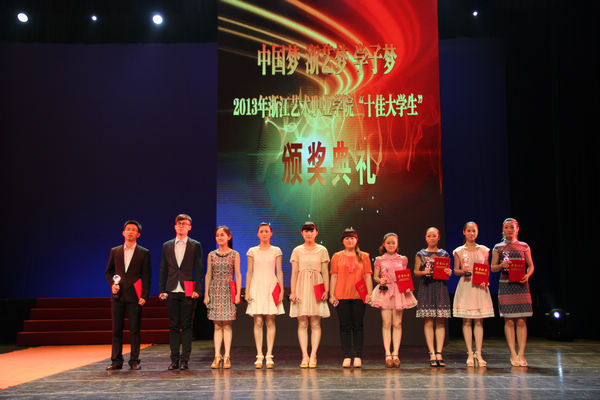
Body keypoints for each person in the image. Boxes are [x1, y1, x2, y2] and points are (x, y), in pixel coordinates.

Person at [105, 220, 151, 370]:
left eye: (133, 230)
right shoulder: (115, 251)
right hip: (118, 296)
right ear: (123, 232)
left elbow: (147, 275)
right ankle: (116, 361)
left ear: (138, 234)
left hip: (135, 296)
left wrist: (144, 295)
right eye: (128, 229)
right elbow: (109, 271)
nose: (130, 232)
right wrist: (113, 285)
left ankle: (134, 361)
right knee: (116, 330)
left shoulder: (144, 253)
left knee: (134, 330)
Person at [159, 214, 203, 370]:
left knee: (186, 326)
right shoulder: (167, 245)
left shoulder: (195, 245)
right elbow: (163, 268)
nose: (181, 226)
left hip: (188, 290)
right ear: (175, 226)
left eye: (184, 224)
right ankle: (174, 360)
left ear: (189, 227)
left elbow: (199, 269)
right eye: (179, 223)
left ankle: (185, 360)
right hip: (171, 289)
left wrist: (198, 289)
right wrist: (162, 289)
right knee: (173, 326)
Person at [490, 218, 535, 367]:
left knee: (521, 320)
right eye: (506, 227)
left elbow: (531, 266)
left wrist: (527, 275)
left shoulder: (524, 246)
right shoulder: (498, 247)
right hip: (506, 285)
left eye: (512, 227)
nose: (509, 230)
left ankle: (521, 354)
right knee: (509, 320)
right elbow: (492, 268)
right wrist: (501, 265)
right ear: (503, 229)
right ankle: (513, 354)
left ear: (517, 229)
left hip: (521, 285)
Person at [371, 232, 417, 368]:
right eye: (388, 243)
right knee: (386, 323)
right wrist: (380, 280)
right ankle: (387, 354)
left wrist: (407, 286)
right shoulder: (379, 259)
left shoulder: (403, 259)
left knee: (397, 323)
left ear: (397, 244)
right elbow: (375, 277)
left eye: (393, 243)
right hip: (385, 291)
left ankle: (395, 353)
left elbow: (404, 275)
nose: (391, 245)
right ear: (384, 244)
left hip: (398, 291)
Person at [329, 228, 373, 368]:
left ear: (356, 240)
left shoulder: (364, 256)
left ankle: (358, 356)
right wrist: (332, 294)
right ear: (343, 241)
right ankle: (347, 355)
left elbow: (367, 276)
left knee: (358, 326)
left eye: (352, 238)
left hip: (359, 296)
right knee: (345, 326)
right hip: (341, 295)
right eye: (347, 238)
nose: (349, 240)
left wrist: (370, 294)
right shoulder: (336, 256)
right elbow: (334, 276)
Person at [452, 222, 495, 367]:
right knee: (466, 321)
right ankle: (470, 353)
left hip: (479, 287)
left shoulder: (484, 250)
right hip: (466, 286)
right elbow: (455, 270)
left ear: (477, 232)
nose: (471, 233)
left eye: (474, 231)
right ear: (464, 232)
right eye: (469, 231)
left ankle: (479, 353)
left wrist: (485, 279)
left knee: (478, 321)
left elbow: (486, 269)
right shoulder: (458, 251)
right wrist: (462, 271)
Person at [289, 221, 330, 368]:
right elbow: (294, 273)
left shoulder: (322, 250)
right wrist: (293, 291)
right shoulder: (297, 250)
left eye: (311, 230)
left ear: (316, 232)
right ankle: (304, 355)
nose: (309, 233)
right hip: (301, 285)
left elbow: (325, 272)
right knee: (302, 323)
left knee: (315, 323)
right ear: (302, 233)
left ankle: (313, 355)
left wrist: (327, 290)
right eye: (306, 231)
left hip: (317, 285)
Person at [245, 222, 285, 369]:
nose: (264, 233)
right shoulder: (252, 251)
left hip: (271, 286)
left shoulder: (276, 250)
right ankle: (259, 355)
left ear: (271, 233)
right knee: (257, 321)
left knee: (270, 320)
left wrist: (282, 290)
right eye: (261, 231)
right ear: (258, 234)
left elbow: (279, 271)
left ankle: (269, 355)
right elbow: (249, 271)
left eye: (266, 231)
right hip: (256, 286)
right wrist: (247, 290)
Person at [413, 227, 452, 367]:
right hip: (427, 287)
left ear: (438, 237)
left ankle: (439, 353)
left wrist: (448, 272)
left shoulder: (444, 254)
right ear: (425, 238)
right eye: (429, 235)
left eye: (434, 235)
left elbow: (447, 271)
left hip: (440, 287)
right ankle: (432, 353)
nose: (432, 238)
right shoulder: (421, 254)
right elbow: (415, 272)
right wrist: (424, 272)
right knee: (428, 321)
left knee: (440, 321)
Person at [204, 225, 241, 369]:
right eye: (218, 235)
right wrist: (206, 294)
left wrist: (237, 293)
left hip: (228, 290)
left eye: (222, 235)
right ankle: (217, 356)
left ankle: (227, 356)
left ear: (229, 237)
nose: (220, 237)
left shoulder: (234, 254)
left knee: (227, 324)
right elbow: (208, 274)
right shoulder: (211, 255)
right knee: (217, 325)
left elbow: (238, 274)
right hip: (215, 290)